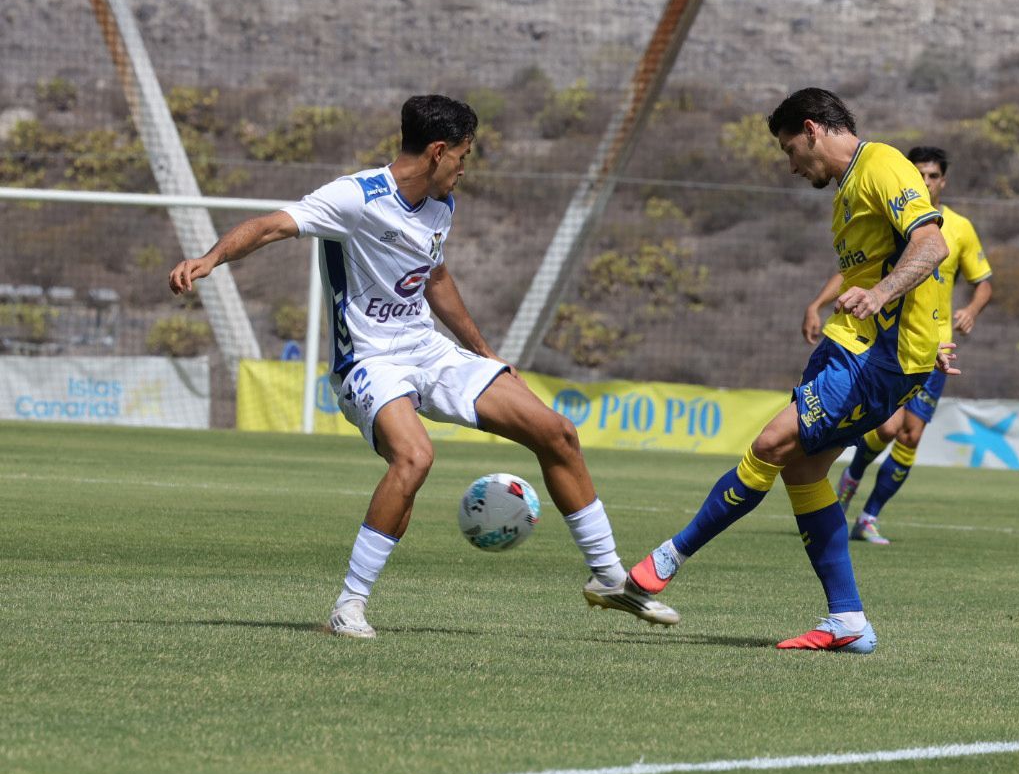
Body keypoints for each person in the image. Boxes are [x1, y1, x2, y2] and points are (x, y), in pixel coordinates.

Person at [167, 94, 677, 638]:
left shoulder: (440, 205)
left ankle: (609, 577)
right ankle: (349, 606)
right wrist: (210, 259)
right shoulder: (356, 196)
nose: (464, 168)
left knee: (557, 432)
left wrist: (484, 352)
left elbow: (434, 277)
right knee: (414, 457)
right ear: (437, 151)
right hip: (368, 362)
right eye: (462, 155)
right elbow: (271, 225)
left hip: (428, 350)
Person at [625, 88, 955, 653]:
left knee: (772, 444)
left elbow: (932, 244)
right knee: (802, 471)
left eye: (789, 150)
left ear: (811, 129)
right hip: (851, 347)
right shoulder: (850, 189)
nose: (791, 166)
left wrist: (882, 295)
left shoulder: (882, 165)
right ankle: (847, 620)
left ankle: (662, 563)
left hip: (878, 358)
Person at [803, 145, 993, 544]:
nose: (925, 181)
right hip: (890, 341)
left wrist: (972, 310)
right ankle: (851, 479)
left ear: (943, 182)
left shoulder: (959, 228)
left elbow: (983, 283)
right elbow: (854, 270)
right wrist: (816, 304)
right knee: (888, 428)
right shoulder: (894, 213)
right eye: (919, 174)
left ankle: (869, 516)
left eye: (933, 176)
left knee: (910, 436)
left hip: (935, 345)